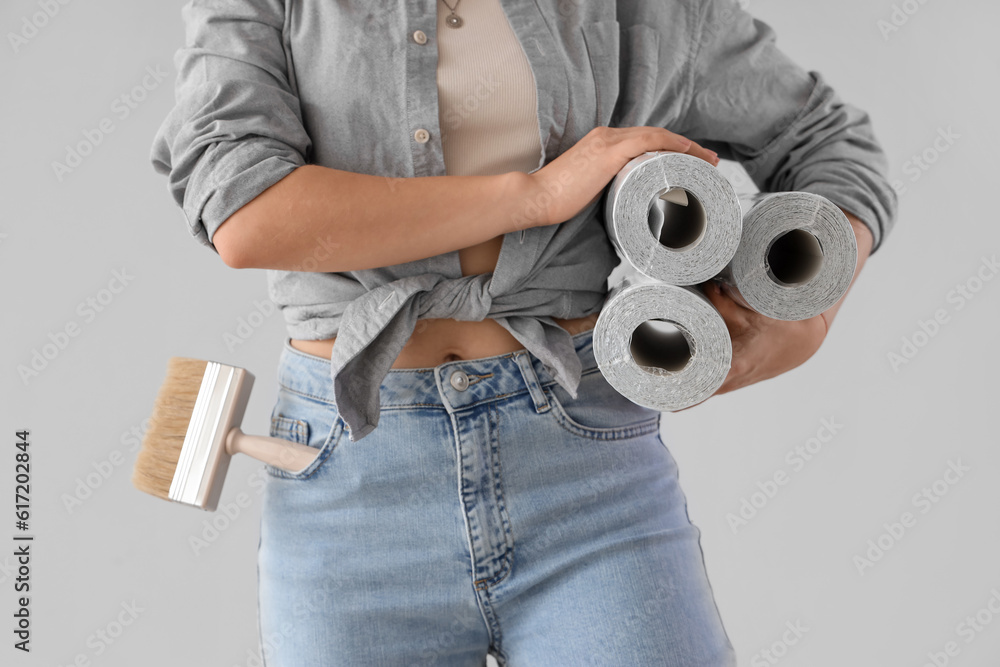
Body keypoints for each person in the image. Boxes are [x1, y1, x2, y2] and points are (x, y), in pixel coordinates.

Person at [150, 0, 896, 664]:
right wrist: (535, 194)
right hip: (349, 485)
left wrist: (809, 319)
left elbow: (828, 142)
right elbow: (245, 211)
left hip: (586, 469)